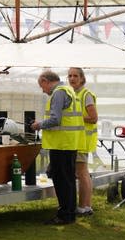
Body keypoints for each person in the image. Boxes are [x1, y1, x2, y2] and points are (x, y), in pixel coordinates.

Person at [30, 69, 84, 225]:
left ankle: (64, 215)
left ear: (46, 81)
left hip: (61, 144)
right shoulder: (69, 90)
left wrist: (38, 125)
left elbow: (55, 119)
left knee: (62, 181)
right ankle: (69, 213)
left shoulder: (59, 93)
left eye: (42, 86)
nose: (43, 90)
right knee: (68, 180)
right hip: (69, 143)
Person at [67, 67, 98, 216]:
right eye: (70, 76)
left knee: (82, 173)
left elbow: (93, 118)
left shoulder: (86, 95)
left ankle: (84, 206)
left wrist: (74, 118)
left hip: (82, 141)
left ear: (82, 78)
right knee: (81, 173)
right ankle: (86, 206)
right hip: (76, 140)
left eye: (75, 76)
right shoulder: (73, 94)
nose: (72, 79)